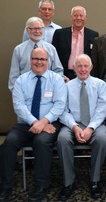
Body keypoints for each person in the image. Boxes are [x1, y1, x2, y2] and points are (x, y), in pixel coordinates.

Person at [0, 48, 67, 202]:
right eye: (36, 58)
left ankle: (42, 185)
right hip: (26, 123)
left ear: (48, 61)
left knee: (41, 142)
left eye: (43, 59)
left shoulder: (56, 79)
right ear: (30, 60)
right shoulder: (21, 80)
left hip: (50, 122)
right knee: (9, 142)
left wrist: (43, 122)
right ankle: (5, 186)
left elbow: (59, 105)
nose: (39, 62)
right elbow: (19, 106)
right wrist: (35, 122)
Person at [57, 54, 106, 200]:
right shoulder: (66, 87)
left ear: (91, 67)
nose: (83, 69)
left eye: (86, 66)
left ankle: (95, 181)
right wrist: (74, 127)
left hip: (95, 123)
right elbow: (63, 111)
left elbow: (102, 110)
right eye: (79, 66)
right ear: (74, 68)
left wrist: (90, 128)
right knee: (62, 139)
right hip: (72, 123)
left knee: (102, 139)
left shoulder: (100, 85)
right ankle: (68, 182)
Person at [9, 16, 63, 91]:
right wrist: (18, 93)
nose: (37, 31)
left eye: (40, 28)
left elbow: (58, 71)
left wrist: (53, 87)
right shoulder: (18, 50)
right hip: (25, 91)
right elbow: (13, 76)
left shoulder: (51, 49)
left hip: (47, 91)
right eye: (34, 28)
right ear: (28, 30)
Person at [52, 6, 99, 80]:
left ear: (85, 17)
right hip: (64, 75)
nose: (78, 18)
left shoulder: (93, 35)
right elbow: (53, 55)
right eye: (75, 15)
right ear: (71, 17)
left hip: (85, 75)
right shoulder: (60, 33)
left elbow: (95, 59)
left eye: (81, 15)